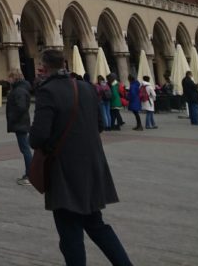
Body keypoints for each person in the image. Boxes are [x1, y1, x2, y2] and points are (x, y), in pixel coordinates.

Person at [30, 48, 132, 266]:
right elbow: (100, 125)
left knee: (70, 234)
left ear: (44, 67)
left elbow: (38, 137)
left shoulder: (47, 91)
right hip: (92, 167)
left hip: (65, 171)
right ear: (65, 64)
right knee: (97, 225)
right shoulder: (86, 88)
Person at [5, 69, 33, 184]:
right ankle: (30, 173)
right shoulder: (21, 88)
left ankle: (30, 175)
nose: (8, 80)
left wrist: (12, 117)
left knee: (25, 149)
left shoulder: (19, 90)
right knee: (25, 148)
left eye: (9, 77)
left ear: (14, 78)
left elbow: (21, 107)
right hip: (22, 122)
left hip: (20, 123)